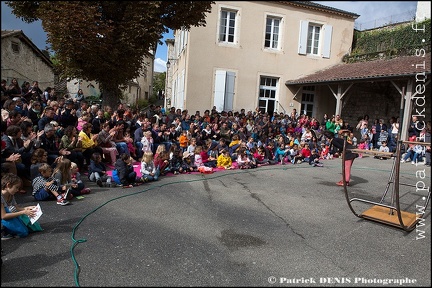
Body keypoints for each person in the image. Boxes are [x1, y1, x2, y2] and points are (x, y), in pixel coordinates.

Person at [1, 173, 41, 239]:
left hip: (9, 215)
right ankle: (5, 231)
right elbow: (3, 216)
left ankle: (11, 229)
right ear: (8, 185)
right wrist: (23, 212)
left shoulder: (11, 194)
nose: (17, 190)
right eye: (16, 187)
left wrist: (27, 208)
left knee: (33, 227)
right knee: (23, 232)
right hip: (4, 218)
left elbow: (17, 208)